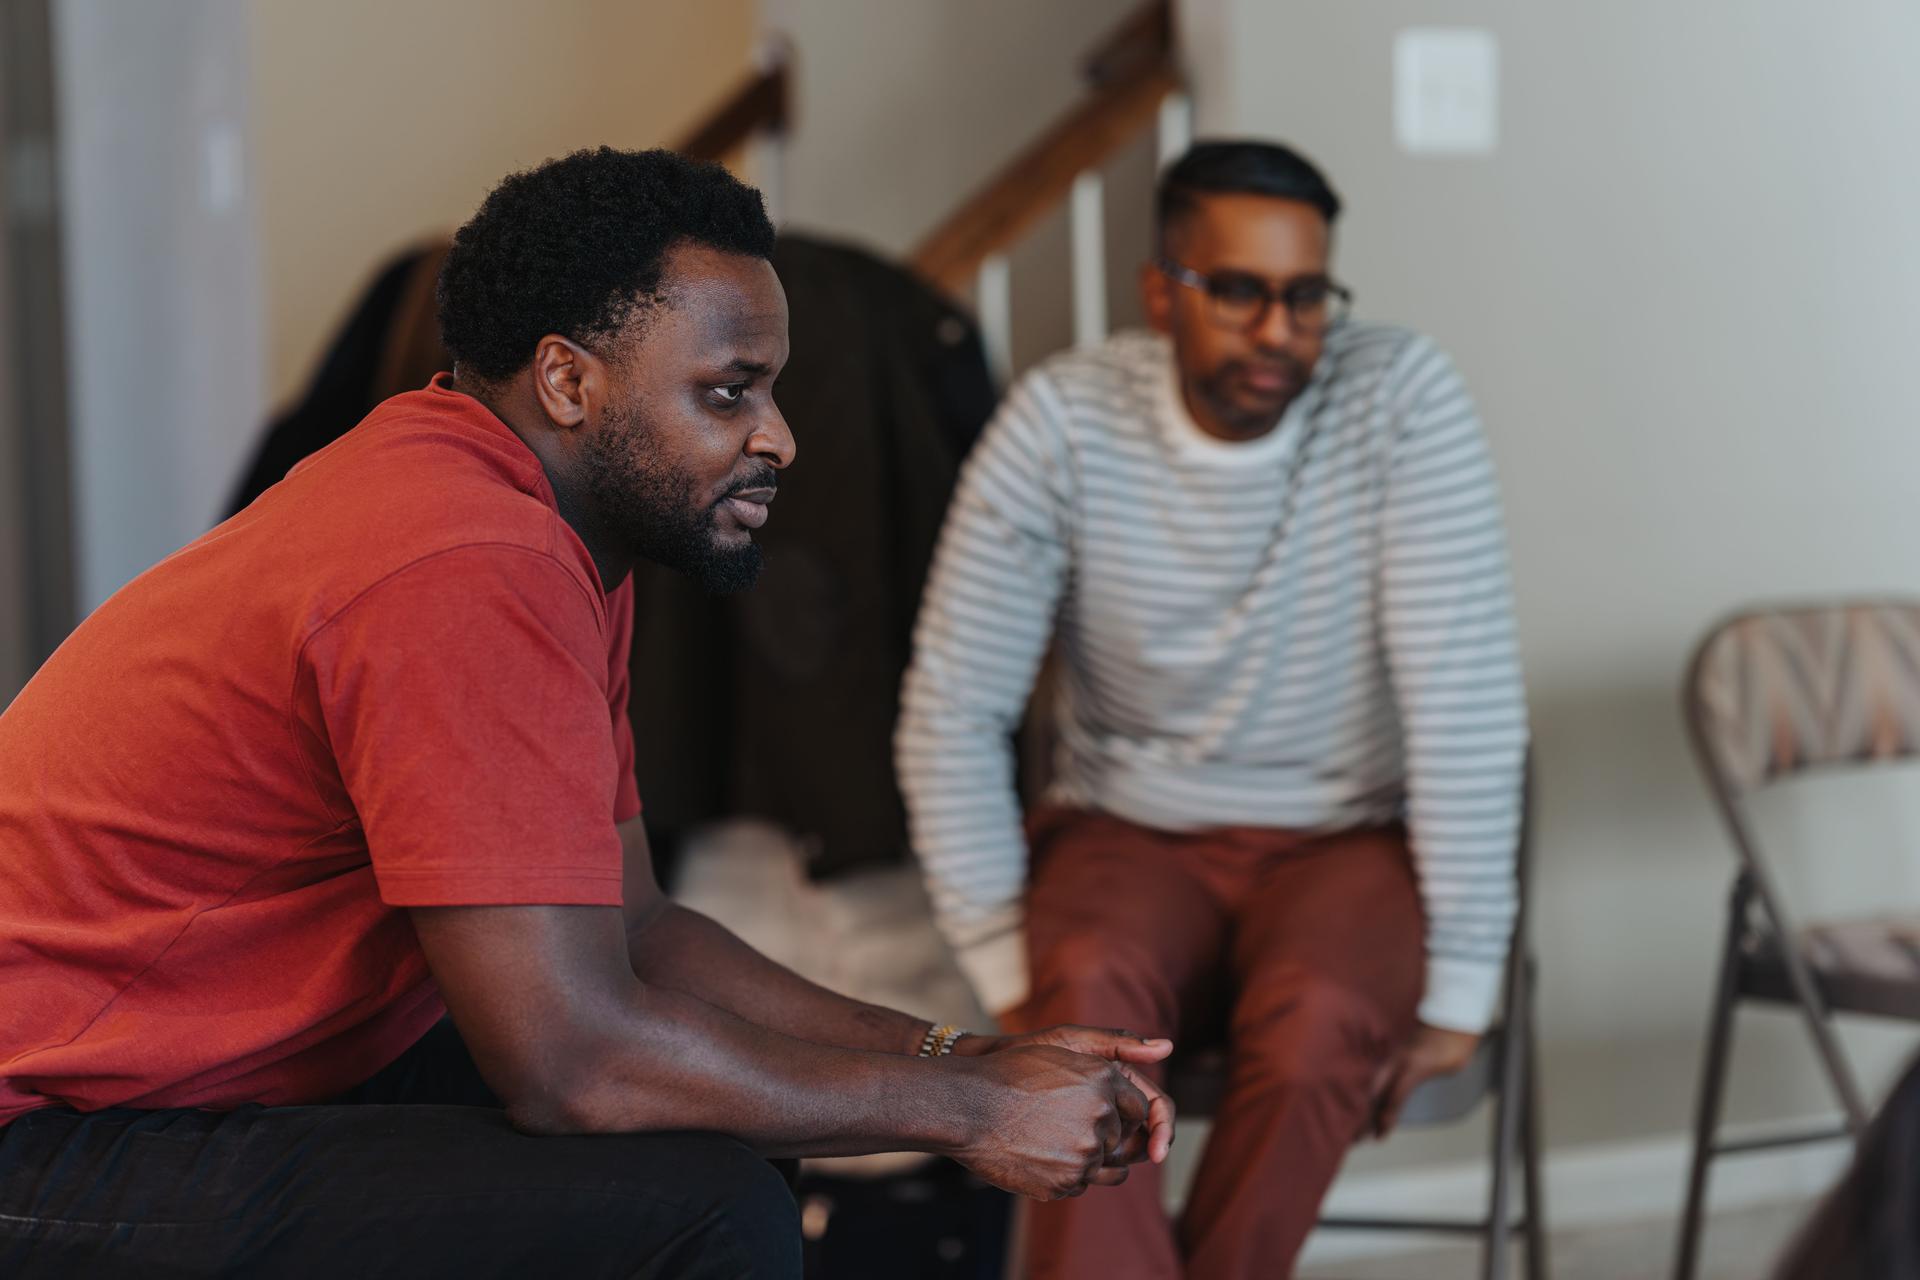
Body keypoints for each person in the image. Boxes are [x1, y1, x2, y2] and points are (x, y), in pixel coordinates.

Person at [0, 147, 1174, 1278]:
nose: (780, 437)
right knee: (696, 1212)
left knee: (705, 1143)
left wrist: (963, 1055)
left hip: (175, 1081)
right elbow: (574, 1063)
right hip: (48, 1122)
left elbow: (640, 933)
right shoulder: (460, 556)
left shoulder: (534, 526)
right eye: (730, 393)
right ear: (568, 380)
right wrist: (967, 1111)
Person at [897, 139, 1528, 1279]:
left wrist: (1464, 983)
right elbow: (951, 706)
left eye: (1306, 294)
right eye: (1239, 291)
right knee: (1082, 999)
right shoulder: (1064, 420)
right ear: (1162, 292)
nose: (1281, 330)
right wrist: (1007, 975)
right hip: (1128, 828)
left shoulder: (1401, 398)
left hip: (1348, 837)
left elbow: (1464, 697)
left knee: (1327, 1008)